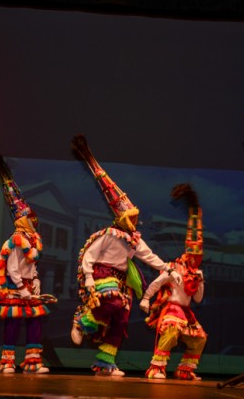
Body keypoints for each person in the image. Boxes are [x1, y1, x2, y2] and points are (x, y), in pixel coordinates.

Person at [69, 134, 182, 377]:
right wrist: (88, 277)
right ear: (122, 217)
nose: (135, 220)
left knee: (121, 318)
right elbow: (89, 255)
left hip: (121, 278)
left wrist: (168, 269)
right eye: (132, 217)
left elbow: (149, 256)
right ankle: (82, 321)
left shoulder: (134, 239)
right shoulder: (110, 234)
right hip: (102, 273)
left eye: (136, 217)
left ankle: (105, 363)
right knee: (113, 302)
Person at [0, 147, 52, 374]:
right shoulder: (16, 240)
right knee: (12, 324)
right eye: (30, 218)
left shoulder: (33, 240)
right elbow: (12, 267)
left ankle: (33, 361)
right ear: (22, 220)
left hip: (28, 285)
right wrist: (21, 288)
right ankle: (7, 362)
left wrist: (35, 280)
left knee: (34, 322)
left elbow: (32, 265)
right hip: (14, 286)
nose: (34, 220)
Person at [139, 183, 207, 381]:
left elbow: (198, 299)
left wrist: (200, 282)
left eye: (197, 257)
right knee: (171, 330)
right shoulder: (174, 267)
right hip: (171, 308)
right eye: (192, 255)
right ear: (187, 254)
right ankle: (156, 368)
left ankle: (184, 370)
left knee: (199, 339)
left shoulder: (196, 273)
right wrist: (146, 298)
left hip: (185, 311)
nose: (194, 258)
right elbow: (158, 282)